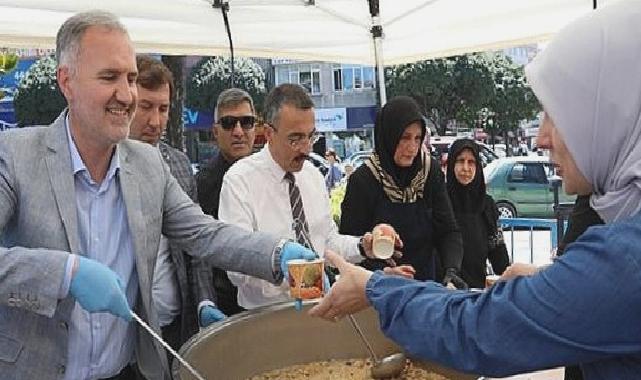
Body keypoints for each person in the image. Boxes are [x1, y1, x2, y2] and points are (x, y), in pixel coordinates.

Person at [310, 2, 641, 378]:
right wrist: (551, 285)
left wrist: (375, 288)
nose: (542, 137)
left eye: (556, 114)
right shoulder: (364, 179)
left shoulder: (626, 258)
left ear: (611, 117)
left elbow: (480, 330)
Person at [0, 11, 317, 380]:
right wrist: (65, 274)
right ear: (66, 81)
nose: (126, 95)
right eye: (109, 77)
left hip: (128, 372)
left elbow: (203, 233)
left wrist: (279, 254)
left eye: (131, 78)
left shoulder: (148, 164)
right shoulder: (15, 155)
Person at [218, 84, 410, 310]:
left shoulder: (312, 176)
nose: (306, 148)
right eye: (295, 138)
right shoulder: (239, 181)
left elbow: (327, 242)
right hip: (266, 319)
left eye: (311, 136)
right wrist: (281, 263)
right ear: (269, 133)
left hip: (319, 311)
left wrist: (362, 246)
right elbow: (235, 270)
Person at [128, 55, 224, 358]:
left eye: (163, 108)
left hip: (173, 328)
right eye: (145, 107)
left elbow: (196, 244)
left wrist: (204, 302)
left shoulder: (179, 165)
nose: (155, 121)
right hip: (120, 335)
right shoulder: (103, 163)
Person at [339, 96, 466, 286]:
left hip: (425, 286)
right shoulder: (364, 180)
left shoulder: (429, 171)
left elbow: (447, 229)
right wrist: (382, 273)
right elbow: (349, 247)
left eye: (417, 138)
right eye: (404, 138)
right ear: (389, 136)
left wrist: (451, 270)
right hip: (377, 291)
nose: (412, 147)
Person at [196, 87, 257, 316]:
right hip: (226, 308)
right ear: (215, 131)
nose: (239, 131)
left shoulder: (273, 172)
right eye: (229, 123)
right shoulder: (202, 184)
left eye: (247, 122)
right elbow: (198, 253)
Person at [445, 139, 510, 288]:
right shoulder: (440, 201)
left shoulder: (486, 206)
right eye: (460, 161)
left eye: (471, 162)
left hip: (475, 293)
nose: (466, 168)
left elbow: (498, 252)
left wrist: (510, 278)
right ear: (451, 164)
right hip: (443, 291)